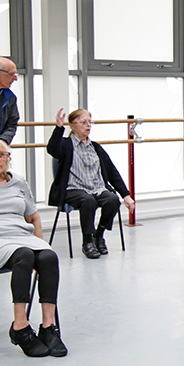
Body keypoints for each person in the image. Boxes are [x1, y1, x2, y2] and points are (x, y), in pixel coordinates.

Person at [0, 135, 66, 357]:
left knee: (48, 257)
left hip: (19, 234)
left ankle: (48, 326)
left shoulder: (17, 181)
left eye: (2, 154)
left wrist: (42, 245)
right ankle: (20, 326)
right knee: (23, 255)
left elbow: (33, 218)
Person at [47, 108, 135, 259]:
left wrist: (126, 195)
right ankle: (87, 241)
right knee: (88, 201)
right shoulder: (66, 144)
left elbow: (112, 173)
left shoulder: (96, 147)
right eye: (83, 122)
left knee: (112, 199)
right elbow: (52, 149)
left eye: (90, 122)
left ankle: (98, 235)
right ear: (73, 126)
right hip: (73, 189)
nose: (88, 126)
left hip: (96, 188)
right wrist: (59, 128)